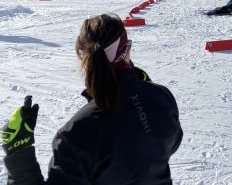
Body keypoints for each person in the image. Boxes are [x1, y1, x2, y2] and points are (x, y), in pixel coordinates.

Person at [2, 13, 183, 184]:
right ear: (126, 50)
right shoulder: (162, 98)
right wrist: (142, 94)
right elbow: (168, 144)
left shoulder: (77, 132)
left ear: (83, 58)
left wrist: (18, 152)